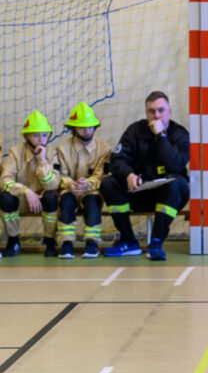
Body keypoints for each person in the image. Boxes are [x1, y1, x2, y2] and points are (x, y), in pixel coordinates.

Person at [100, 91, 190, 261]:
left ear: (169, 111)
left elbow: (176, 164)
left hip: (170, 194)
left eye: (161, 110)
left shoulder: (180, 134)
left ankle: (156, 244)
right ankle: (128, 240)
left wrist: (161, 136)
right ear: (146, 113)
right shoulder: (134, 131)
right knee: (108, 184)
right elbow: (117, 160)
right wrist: (128, 175)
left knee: (175, 184)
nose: (156, 115)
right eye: (151, 111)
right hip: (139, 191)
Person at [55, 102, 112, 259]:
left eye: (90, 126)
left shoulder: (104, 149)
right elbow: (59, 175)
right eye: (81, 127)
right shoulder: (62, 148)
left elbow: (102, 175)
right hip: (69, 189)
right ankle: (66, 244)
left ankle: (92, 243)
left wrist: (88, 184)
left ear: (95, 126)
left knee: (93, 202)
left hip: (91, 190)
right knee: (65, 202)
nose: (87, 131)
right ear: (73, 129)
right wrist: (70, 184)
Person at [0, 111, 60, 257]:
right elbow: (4, 180)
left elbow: (52, 185)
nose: (41, 140)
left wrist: (42, 161)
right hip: (21, 201)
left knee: (52, 196)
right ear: (26, 137)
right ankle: (13, 241)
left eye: (44, 135)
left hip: (41, 200)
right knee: (5, 198)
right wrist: (25, 191)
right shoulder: (15, 152)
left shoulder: (52, 153)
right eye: (36, 135)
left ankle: (49, 241)